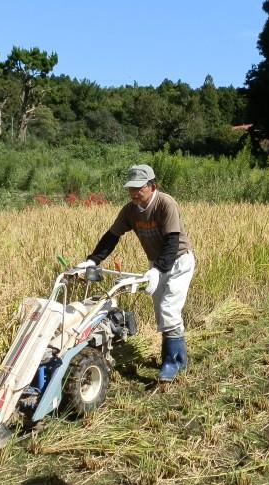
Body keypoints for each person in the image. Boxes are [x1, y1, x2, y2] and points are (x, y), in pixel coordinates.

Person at [76, 164, 195, 382]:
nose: (133, 193)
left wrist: (158, 270)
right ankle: (178, 358)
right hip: (156, 264)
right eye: (130, 188)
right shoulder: (130, 210)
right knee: (162, 312)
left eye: (138, 188)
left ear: (152, 186)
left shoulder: (165, 203)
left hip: (178, 262)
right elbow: (112, 236)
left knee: (169, 309)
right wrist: (92, 260)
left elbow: (172, 241)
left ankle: (172, 363)